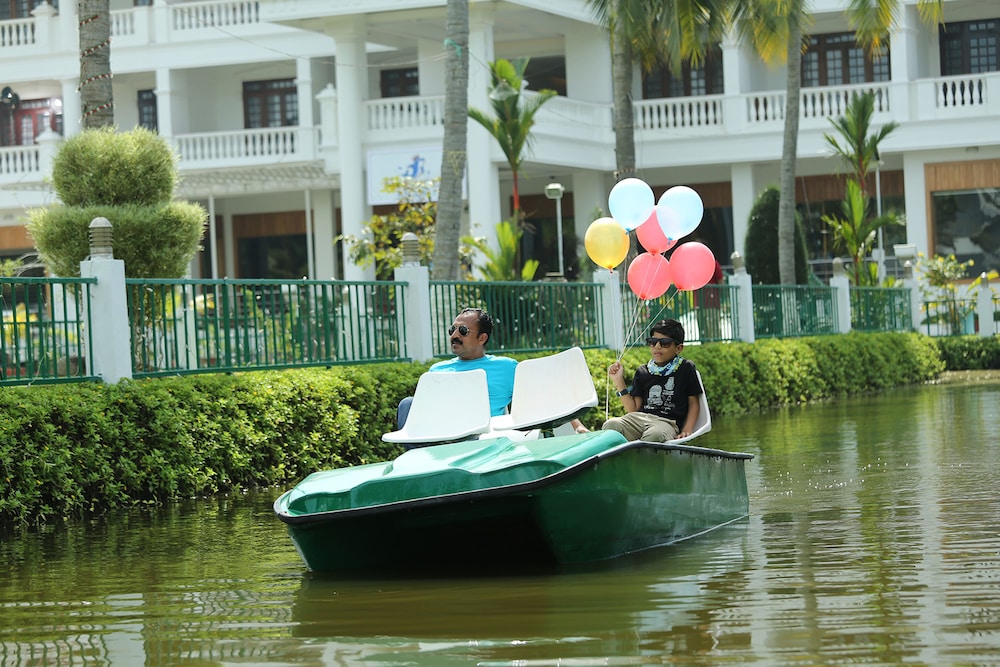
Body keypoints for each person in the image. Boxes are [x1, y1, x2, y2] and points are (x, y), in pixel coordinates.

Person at [397, 307, 588, 432]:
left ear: (482, 338)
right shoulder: (437, 370)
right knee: (408, 404)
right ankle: (418, 462)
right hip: (441, 434)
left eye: (462, 331)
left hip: (481, 436)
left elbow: (544, 396)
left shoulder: (505, 368)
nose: (455, 335)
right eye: (452, 330)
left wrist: (577, 426)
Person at [602, 318, 702, 442]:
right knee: (611, 425)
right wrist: (618, 380)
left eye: (665, 343)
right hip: (639, 419)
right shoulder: (643, 371)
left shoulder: (686, 368)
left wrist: (687, 429)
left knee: (655, 434)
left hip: (667, 422)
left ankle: (641, 453)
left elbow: (694, 403)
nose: (657, 346)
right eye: (653, 342)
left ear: (678, 348)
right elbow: (633, 410)